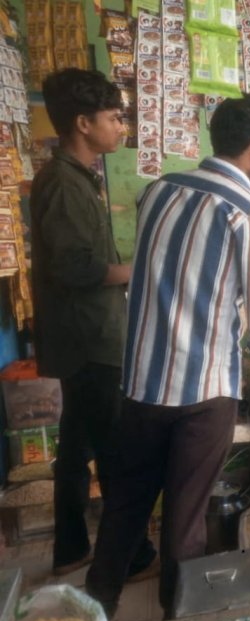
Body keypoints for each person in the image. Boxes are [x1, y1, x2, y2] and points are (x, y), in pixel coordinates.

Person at [85, 94, 250, 619]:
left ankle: (90, 615)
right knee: (184, 523)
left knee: (124, 508)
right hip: (202, 393)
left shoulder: (158, 190)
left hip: (141, 384)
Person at [30, 68, 157, 579]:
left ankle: (70, 548)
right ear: (83, 123)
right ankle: (130, 558)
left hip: (87, 334)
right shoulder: (63, 182)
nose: (121, 126)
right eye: (113, 117)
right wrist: (139, 270)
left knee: (77, 445)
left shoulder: (79, 177)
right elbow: (74, 267)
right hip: (88, 339)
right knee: (114, 451)